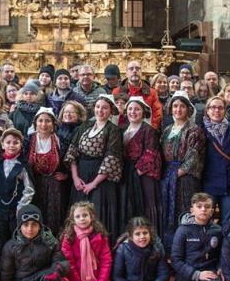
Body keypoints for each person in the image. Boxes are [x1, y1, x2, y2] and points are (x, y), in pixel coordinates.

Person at [65, 95, 123, 241]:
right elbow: (72, 152)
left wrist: (94, 183)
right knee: (79, 213)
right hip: (81, 175)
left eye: (104, 108)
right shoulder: (84, 127)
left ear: (111, 111)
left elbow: (112, 158)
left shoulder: (113, 130)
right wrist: (75, 178)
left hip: (101, 180)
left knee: (97, 214)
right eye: (98, 107)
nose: (100, 110)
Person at [159, 91, 205, 248]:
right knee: (167, 213)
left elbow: (194, 157)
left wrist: (175, 175)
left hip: (186, 178)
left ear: (188, 109)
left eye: (182, 106)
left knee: (184, 211)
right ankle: (169, 251)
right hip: (168, 175)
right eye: (175, 106)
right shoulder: (167, 130)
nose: (178, 109)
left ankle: (188, 251)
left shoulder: (194, 130)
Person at [108, 217, 176, 281]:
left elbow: (163, 274)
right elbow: (116, 277)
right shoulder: (122, 249)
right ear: (131, 236)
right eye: (137, 234)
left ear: (150, 233)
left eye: (145, 233)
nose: (142, 237)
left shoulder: (157, 247)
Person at [170, 193, 225, 281]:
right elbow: (175, 259)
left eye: (207, 206)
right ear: (192, 210)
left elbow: (222, 253)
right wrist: (197, 275)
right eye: (199, 206)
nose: (203, 209)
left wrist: (220, 267)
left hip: (209, 268)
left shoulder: (218, 230)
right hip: (188, 268)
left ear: (212, 210)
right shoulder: (182, 230)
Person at [61, 202, 112, 281]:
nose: (82, 219)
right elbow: (69, 263)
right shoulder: (68, 238)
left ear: (92, 216)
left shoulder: (101, 236)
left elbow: (106, 260)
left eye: (85, 215)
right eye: (78, 216)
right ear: (72, 219)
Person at [120, 97, 162, 235]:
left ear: (143, 112)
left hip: (143, 174)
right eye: (130, 109)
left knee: (146, 204)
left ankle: (150, 236)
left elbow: (151, 154)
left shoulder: (148, 130)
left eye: (137, 109)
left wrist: (136, 172)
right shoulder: (123, 129)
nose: (133, 112)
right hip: (127, 173)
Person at [201, 96, 230, 223]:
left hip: (229, 184)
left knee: (228, 221)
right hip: (209, 183)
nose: (217, 111)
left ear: (225, 110)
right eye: (213, 107)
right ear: (207, 110)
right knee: (207, 220)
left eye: (220, 108)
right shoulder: (201, 131)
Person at [26, 108, 67, 234]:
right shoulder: (28, 141)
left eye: (48, 121)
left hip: (54, 185)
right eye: (41, 121)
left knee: (53, 217)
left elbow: (68, 159)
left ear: (53, 124)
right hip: (34, 184)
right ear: (35, 124)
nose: (44, 124)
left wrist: (66, 175)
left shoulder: (60, 140)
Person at [0, 128, 34, 245]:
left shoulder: (23, 166)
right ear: (2, 144)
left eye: (16, 142)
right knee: (0, 234)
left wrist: (21, 206)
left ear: (21, 145)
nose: (12, 145)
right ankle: (1, 259)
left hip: (15, 209)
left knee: (16, 234)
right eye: (8, 142)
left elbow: (29, 189)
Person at [112, 60, 163, 130]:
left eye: (137, 68)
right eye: (131, 69)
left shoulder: (152, 92)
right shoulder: (116, 92)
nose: (134, 71)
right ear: (126, 73)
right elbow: (112, 113)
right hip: (122, 131)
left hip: (146, 132)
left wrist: (151, 129)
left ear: (141, 72)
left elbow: (157, 113)